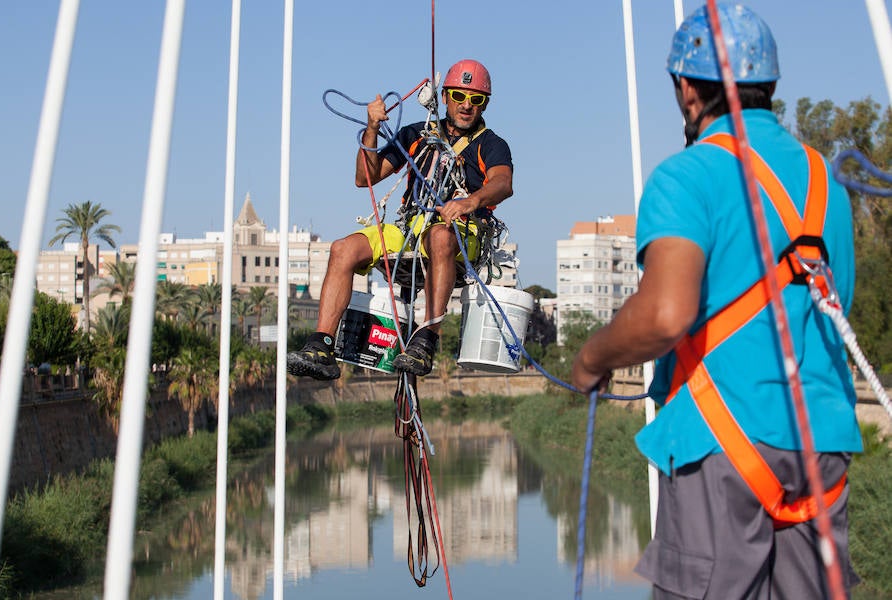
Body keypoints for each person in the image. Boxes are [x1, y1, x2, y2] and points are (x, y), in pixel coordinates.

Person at [571, 4, 862, 598]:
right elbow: (839, 305)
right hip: (821, 448)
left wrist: (593, 359)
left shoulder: (688, 175)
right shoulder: (824, 181)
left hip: (723, 447)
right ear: (768, 85)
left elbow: (663, 314)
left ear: (685, 87)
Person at [288, 59, 514, 380]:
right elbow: (365, 177)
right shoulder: (416, 134)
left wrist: (470, 202)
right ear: (445, 96)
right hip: (411, 228)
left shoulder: (491, 144)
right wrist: (372, 128)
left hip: (462, 233)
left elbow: (503, 183)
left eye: (475, 99)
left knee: (439, 236)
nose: (466, 106)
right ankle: (321, 345)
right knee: (343, 249)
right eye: (459, 96)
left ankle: (426, 340)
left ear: (484, 104)